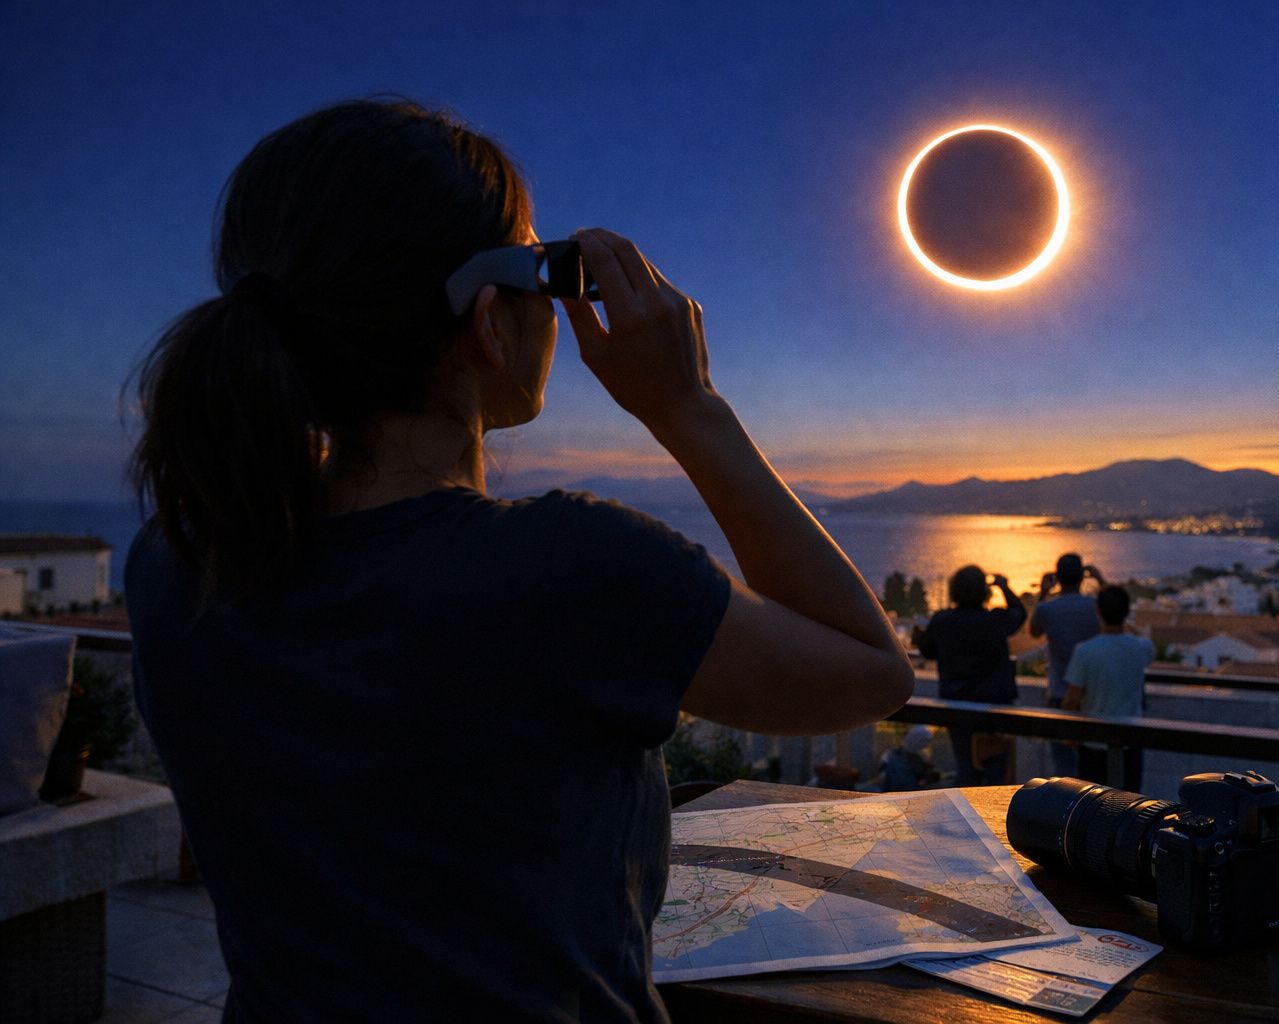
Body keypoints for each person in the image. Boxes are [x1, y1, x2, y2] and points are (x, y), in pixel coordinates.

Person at [124, 99, 912, 1022]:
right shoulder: (568, 567)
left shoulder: (174, 567)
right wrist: (687, 406)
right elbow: (869, 672)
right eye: (552, 272)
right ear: (488, 321)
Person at [914, 566, 1025, 785]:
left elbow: (928, 651)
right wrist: (1004, 587)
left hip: (958, 708)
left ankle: (966, 816)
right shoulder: (995, 621)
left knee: (965, 770)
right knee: (995, 772)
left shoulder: (942, 621)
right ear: (984, 592)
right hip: (993, 709)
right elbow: (1019, 613)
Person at [1062, 585, 1154, 791]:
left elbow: (1072, 699)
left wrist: (1069, 734)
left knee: (1092, 807)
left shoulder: (1085, 651)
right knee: (1129, 806)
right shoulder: (1142, 648)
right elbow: (1145, 641)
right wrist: (1127, 623)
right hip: (1130, 741)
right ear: (1127, 612)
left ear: (1098, 612)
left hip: (1094, 743)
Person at [1027, 553, 1104, 776]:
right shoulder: (1097, 606)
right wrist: (1100, 581)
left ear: (1057, 578)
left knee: (1064, 769)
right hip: (1091, 696)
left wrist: (1043, 592)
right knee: (1093, 769)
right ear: (1082, 577)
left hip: (1060, 693)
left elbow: (1034, 631)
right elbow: (1116, 611)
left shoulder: (1046, 609)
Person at [860, 725, 940, 792]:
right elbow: (884, 782)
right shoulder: (889, 757)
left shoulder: (920, 760)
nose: (923, 746)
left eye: (924, 743)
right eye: (920, 741)